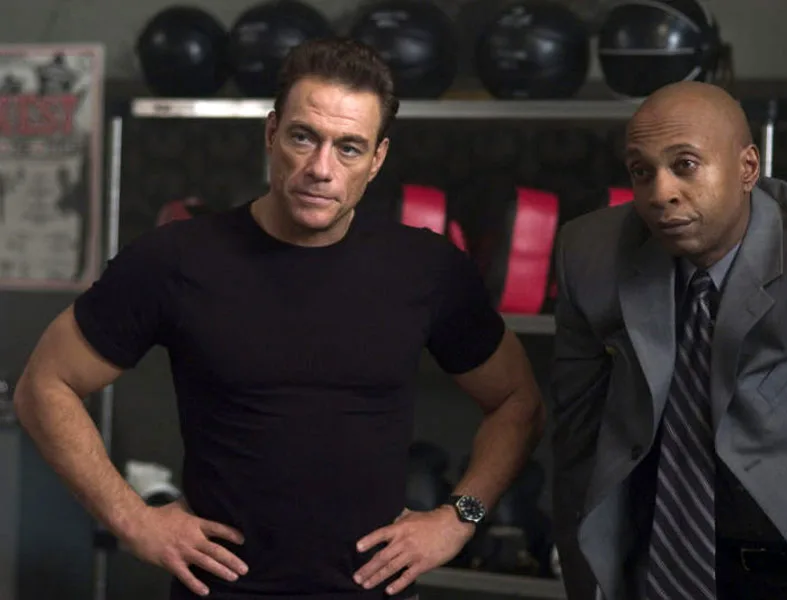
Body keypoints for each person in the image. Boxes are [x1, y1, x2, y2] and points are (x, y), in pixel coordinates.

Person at [13, 38, 546, 600]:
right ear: (271, 133)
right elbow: (44, 386)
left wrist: (459, 518)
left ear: (377, 159)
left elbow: (518, 402)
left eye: (348, 148)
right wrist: (132, 519)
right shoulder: (176, 259)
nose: (321, 169)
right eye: (303, 137)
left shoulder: (426, 268)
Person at [550, 80, 787, 600]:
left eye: (685, 164)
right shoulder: (588, 254)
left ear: (748, 168)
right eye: (641, 171)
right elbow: (576, 442)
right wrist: (586, 582)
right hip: (650, 551)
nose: (660, 193)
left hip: (786, 555)